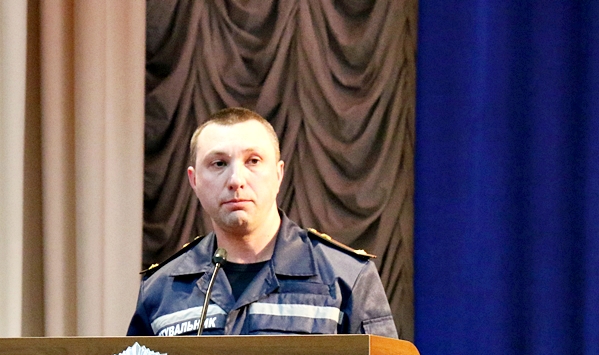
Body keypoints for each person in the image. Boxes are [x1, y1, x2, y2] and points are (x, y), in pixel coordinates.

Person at [128, 107, 398, 338]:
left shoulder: (346, 278)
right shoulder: (162, 289)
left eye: (253, 161)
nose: (236, 180)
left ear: (279, 174)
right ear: (194, 180)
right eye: (219, 164)